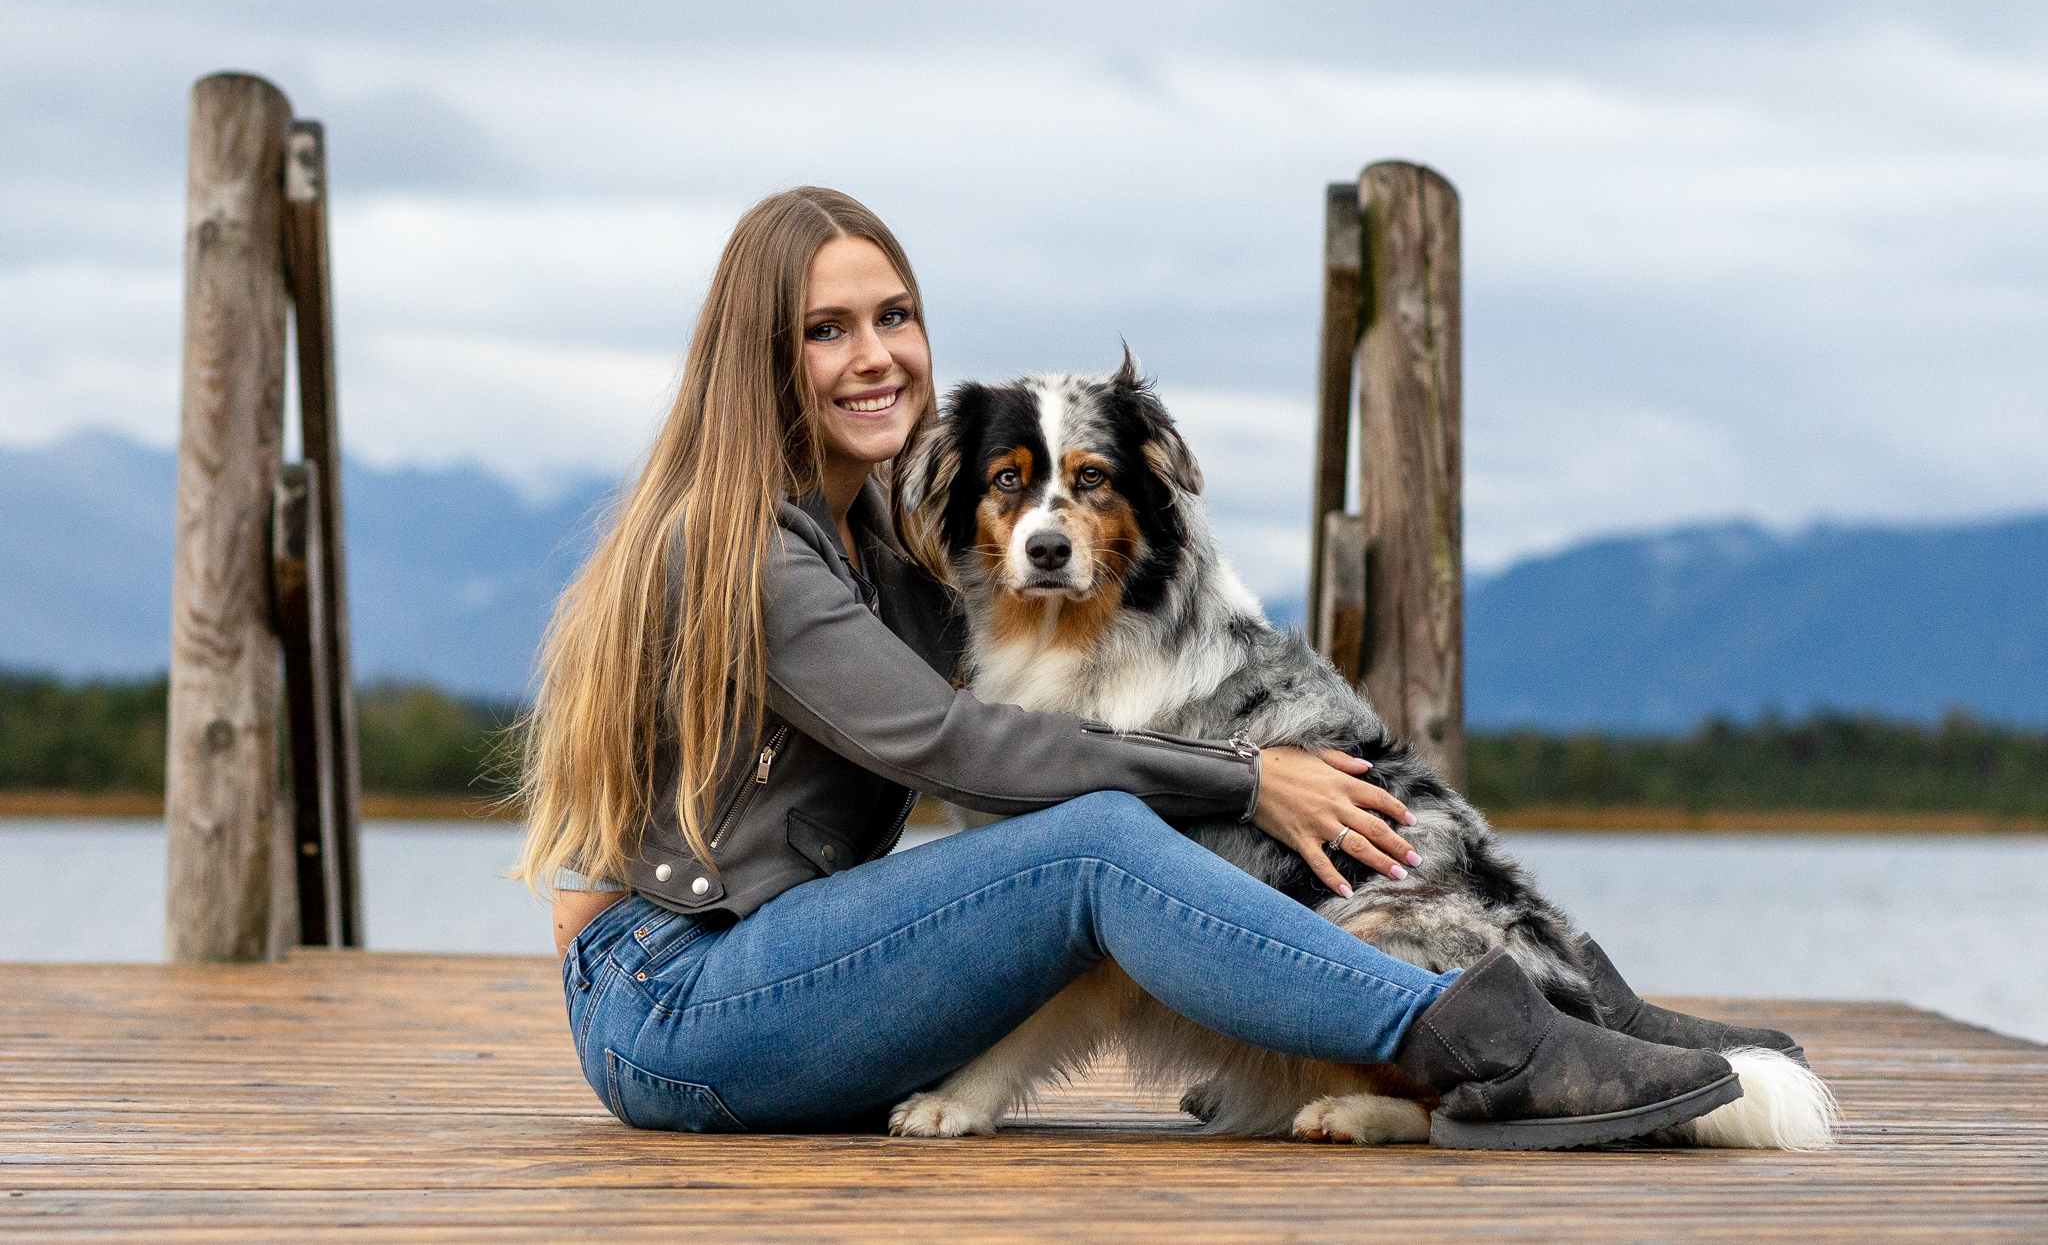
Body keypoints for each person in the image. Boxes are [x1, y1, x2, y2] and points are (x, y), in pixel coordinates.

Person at [512, 186, 1738, 1149]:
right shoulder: (740, 544)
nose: (874, 355)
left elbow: (1083, 655)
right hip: (676, 1001)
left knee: (1094, 831)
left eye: (894, 316)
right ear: (763, 357)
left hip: (777, 971)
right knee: (1091, 840)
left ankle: (1588, 1007)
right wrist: (1245, 777)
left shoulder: (891, 549)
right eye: (825, 331)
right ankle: (1479, 1048)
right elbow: (949, 746)